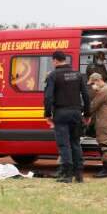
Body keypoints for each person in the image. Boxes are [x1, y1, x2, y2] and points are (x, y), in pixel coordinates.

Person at [44, 51, 91, 183]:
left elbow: (48, 97)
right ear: (64, 59)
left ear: (55, 60)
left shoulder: (53, 75)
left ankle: (67, 175)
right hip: (76, 113)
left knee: (64, 145)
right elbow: (86, 96)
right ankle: (79, 175)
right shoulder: (78, 75)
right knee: (75, 143)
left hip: (61, 114)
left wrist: (47, 114)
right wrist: (87, 114)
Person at [87, 72, 107, 178]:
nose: (92, 86)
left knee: (105, 146)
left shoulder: (103, 91)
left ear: (98, 81)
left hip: (104, 123)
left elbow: (93, 106)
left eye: (92, 83)